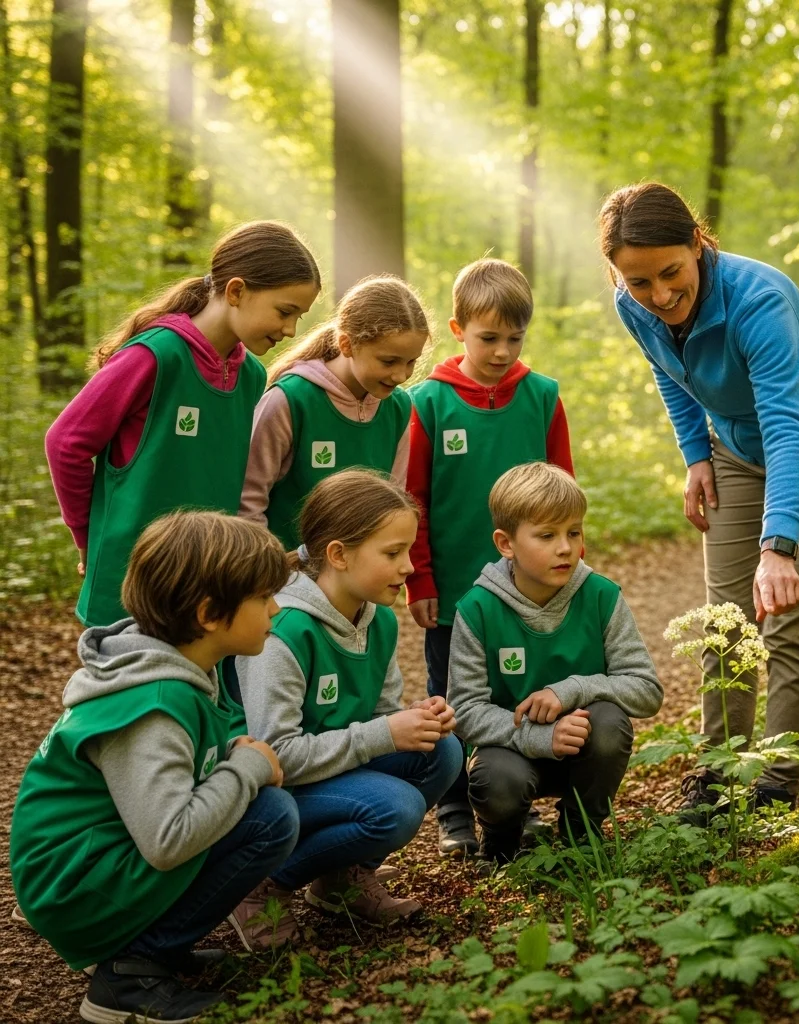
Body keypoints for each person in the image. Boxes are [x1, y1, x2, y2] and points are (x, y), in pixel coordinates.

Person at [598, 181, 799, 820]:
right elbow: (671, 378)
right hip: (734, 449)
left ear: (697, 243)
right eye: (639, 282)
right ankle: (719, 775)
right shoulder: (631, 303)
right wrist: (696, 455)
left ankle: (777, 784)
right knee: (727, 621)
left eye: (671, 272)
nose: (660, 296)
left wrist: (779, 546)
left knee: (789, 619)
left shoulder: (760, 300)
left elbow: (789, 425)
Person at [9, 512, 298, 1024]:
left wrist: (232, 751)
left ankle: (155, 947)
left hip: (99, 860)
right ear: (210, 612)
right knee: (269, 815)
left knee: (260, 808)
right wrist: (246, 768)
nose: (275, 608)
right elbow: (168, 840)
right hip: (75, 884)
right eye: (262, 598)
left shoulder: (182, 666)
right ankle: (129, 974)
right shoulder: (153, 705)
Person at [45, 221, 321, 628]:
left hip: (208, 590)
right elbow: (65, 442)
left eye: (299, 316)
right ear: (236, 291)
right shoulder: (155, 356)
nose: (290, 330)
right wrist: (88, 537)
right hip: (131, 587)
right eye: (285, 311)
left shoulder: (250, 376)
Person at [232, 470, 462, 927]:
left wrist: (411, 720)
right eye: (393, 553)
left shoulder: (378, 620)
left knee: (443, 751)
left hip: (332, 770)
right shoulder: (284, 631)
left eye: (408, 551)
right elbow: (274, 758)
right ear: (338, 554)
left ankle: (340, 880)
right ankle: (262, 887)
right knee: (395, 808)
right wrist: (385, 733)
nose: (409, 567)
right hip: (274, 792)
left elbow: (380, 714)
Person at [406, 257, 575, 858]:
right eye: (488, 338)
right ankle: (453, 807)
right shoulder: (427, 403)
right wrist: (419, 576)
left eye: (514, 338)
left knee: (517, 691)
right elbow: (414, 499)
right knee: (450, 696)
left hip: (527, 586)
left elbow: (564, 493)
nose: (502, 351)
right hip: (453, 587)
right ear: (458, 329)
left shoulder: (542, 397)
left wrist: (566, 568)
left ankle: (511, 802)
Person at [448, 462, 663, 863]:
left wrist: (571, 690)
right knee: (498, 779)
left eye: (574, 532)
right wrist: (540, 736)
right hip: (510, 753)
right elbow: (465, 710)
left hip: (582, 750)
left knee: (609, 722)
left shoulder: (600, 596)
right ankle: (501, 841)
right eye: (547, 535)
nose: (565, 547)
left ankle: (582, 832)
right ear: (506, 543)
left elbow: (646, 691)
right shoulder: (477, 609)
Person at [241, 275, 431, 550]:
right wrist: (267, 570)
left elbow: (394, 499)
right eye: (388, 361)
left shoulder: (399, 406)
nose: (401, 374)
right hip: (286, 580)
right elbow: (249, 500)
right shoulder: (290, 400)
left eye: (411, 362)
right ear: (347, 345)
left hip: (363, 584)